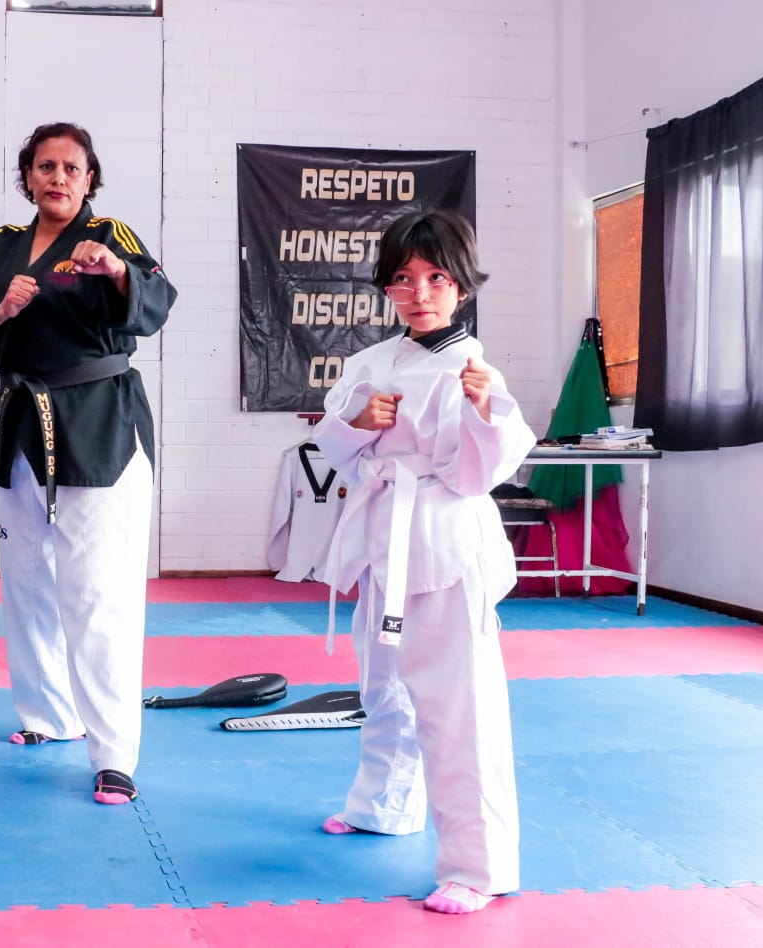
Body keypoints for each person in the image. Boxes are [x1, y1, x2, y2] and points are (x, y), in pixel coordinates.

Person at [0, 121, 176, 806]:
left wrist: (117, 273)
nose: (58, 178)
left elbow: (157, 301)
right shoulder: (0, 245)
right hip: (21, 423)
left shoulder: (110, 236)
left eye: (72, 168)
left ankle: (114, 753)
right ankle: (47, 713)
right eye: (45, 166)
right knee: (27, 578)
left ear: (89, 178)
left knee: (98, 592)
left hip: (100, 422)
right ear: (27, 177)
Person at [311, 209, 536, 914]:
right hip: (383, 535)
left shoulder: (476, 371)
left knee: (459, 704)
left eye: (437, 278)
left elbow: (483, 472)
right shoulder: (369, 363)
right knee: (383, 686)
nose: (420, 293)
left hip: (445, 537)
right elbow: (335, 448)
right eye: (404, 279)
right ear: (386, 287)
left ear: (461, 286)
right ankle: (383, 805)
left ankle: (479, 865)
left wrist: (484, 413)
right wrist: (356, 424)